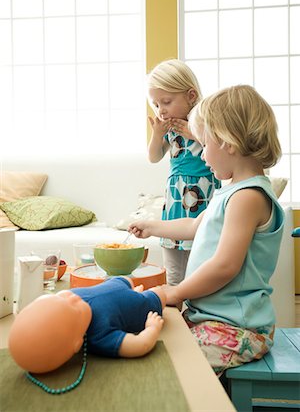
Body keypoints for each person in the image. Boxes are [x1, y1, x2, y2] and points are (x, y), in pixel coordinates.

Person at [130, 84, 285, 375]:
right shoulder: (230, 192)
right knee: (153, 337)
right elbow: (192, 226)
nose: (202, 157)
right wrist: (151, 226)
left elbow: (225, 266)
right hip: (212, 318)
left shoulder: (248, 197)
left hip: (238, 328)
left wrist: (175, 292)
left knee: (168, 363)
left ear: (229, 143)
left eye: (205, 145)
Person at [147, 59, 220, 286]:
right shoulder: (169, 126)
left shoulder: (206, 120)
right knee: (173, 264)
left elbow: (220, 146)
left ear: (191, 95)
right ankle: (174, 300)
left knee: (201, 252)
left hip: (202, 194)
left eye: (167, 102)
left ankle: (196, 303)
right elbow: (154, 157)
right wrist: (157, 135)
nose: (161, 110)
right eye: (156, 104)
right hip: (176, 196)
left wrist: (194, 132)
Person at [8, 277, 166, 376]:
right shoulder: (99, 336)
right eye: (73, 307)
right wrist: (151, 328)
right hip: (139, 306)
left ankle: (132, 289)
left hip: (115, 284)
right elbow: (140, 345)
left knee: (127, 278)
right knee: (160, 292)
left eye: (60, 297)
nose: (71, 297)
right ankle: (140, 293)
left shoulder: (70, 296)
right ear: (77, 343)